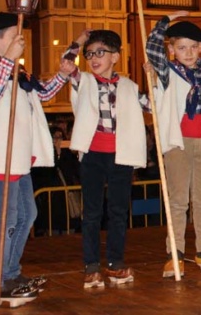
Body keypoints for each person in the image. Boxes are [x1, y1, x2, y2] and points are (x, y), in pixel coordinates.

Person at [0, 12, 75, 305]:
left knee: (27, 215)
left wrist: (63, 74)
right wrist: (8, 62)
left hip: (19, 157)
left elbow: (40, 95)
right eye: (12, 35)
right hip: (1, 156)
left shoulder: (16, 70)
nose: (21, 41)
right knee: (8, 220)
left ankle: (11, 273)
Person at [146, 11, 201, 277]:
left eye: (194, 47)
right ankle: (175, 253)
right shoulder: (167, 71)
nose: (189, 52)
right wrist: (166, 20)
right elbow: (151, 46)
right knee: (178, 200)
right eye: (182, 47)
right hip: (178, 142)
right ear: (171, 49)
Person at [65, 29, 149, 288]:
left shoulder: (129, 87)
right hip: (91, 154)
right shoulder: (84, 80)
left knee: (118, 211)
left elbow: (154, 104)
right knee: (91, 212)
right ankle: (91, 265)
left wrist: (153, 77)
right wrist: (78, 42)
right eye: (90, 54)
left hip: (121, 155)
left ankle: (115, 263)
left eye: (100, 52)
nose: (93, 58)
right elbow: (68, 64)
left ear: (115, 56)